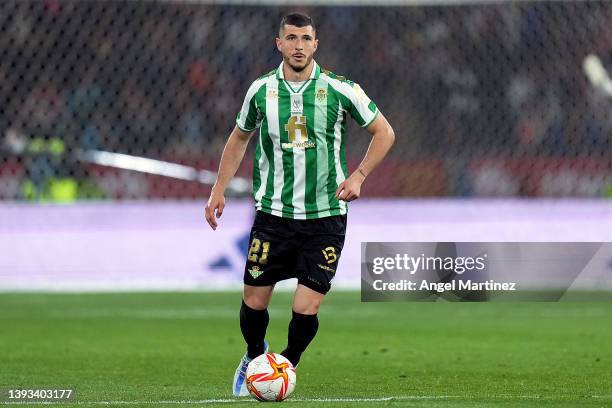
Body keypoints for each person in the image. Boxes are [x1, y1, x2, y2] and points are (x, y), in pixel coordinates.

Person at [204, 12, 395, 397]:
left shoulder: (340, 89)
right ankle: (255, 354)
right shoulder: (261, 91)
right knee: (253, 302)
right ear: (279, 44)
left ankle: (283, 366)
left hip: (325, 217)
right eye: (291, 38)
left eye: (305, 38)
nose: (298, 46)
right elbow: (239, 138)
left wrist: (358, 176)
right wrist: (218, 188)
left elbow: (384, 132)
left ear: (315, 44)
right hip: (274, 215)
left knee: (306, 308)